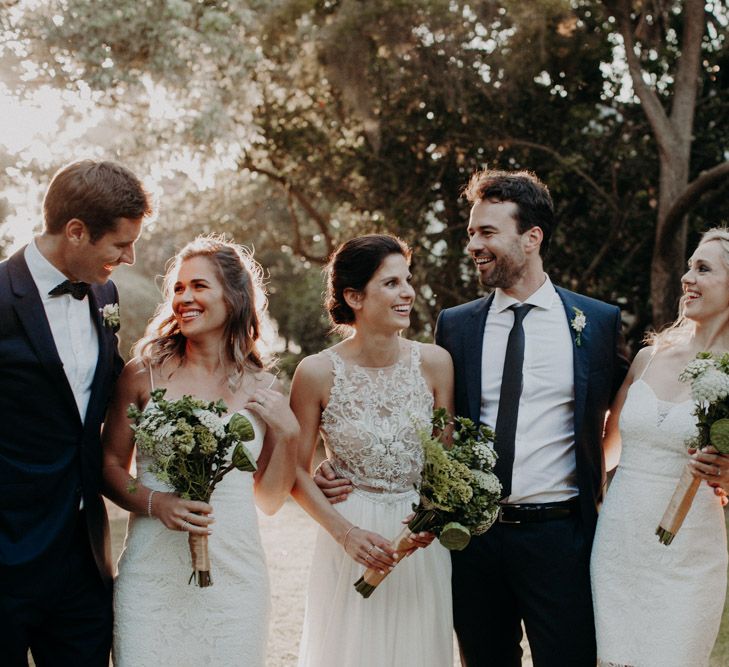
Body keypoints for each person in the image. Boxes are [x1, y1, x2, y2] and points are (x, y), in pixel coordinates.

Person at [316, 170, 629, 666]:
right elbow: (426, 424)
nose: (474, 245)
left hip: (560, 538)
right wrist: (340, 463)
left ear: (531, 238)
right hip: (471, 541)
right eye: (470, 233)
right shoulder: (457, 326)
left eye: (487, 232)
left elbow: (630, 417)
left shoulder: (596, 322)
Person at [102, 236, 299, 666]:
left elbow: (268, 498)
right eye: (177, 288)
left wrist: (286, 433)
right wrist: (157, 503)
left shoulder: (264, 387)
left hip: (236, 581)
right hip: (151, 580)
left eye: (199, 286)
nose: (184, 298)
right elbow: (110, 465)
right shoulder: (144, 374)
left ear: (234, 296)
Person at [0, 159, 151, 666]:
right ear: (76, 231)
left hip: (83, 559)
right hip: (6, 554)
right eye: (120, 244)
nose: (129, 258)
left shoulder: (103, 294)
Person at [290, 234, 455, 667]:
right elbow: (293, 472)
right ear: (354, 296)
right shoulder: (316, 372)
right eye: (391, 283)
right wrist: (345, 534)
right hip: (349, 535)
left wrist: (431, 519)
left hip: (417, 538)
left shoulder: (436, 363)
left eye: (407, 280)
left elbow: (446, 465)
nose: (407, 293)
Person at [591, 227, 729, 667]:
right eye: (688, 266)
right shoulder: (649, 358)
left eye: (703, 269)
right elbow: (605, 452)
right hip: (619, 545)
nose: (687, 278)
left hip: (689, 553)